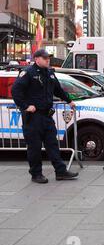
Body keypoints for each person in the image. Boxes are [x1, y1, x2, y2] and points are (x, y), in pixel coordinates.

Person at [11, 49, 79, 184]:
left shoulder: (50, 73)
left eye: (48, 57)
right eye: (45, 58)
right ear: (37, 59)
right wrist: (25, 106)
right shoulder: (28, 73)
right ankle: (36, 174)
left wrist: (69, 100)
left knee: (53, 145)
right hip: (33, 117)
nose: (48, 60)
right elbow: (15, 91)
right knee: (34, 147)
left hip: (47, 116)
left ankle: (61, 172)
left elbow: (58, 90)